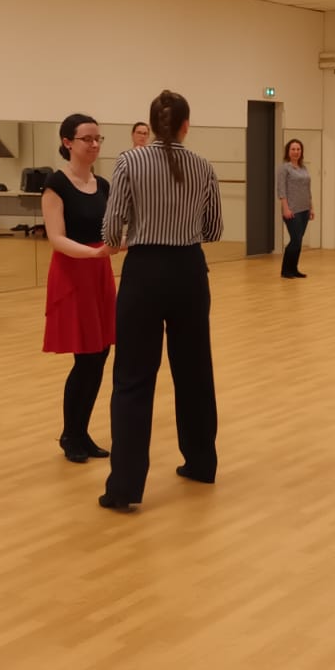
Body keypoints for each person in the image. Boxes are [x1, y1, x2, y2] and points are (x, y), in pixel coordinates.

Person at [98, 90, 223, 512]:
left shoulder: (129, 162)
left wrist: (134, 230)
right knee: (195, 371)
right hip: (189, 271)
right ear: (186, 125)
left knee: (133, 379)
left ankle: (125, 487)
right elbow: (214, 228)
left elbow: (111, 229)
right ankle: (201, 463)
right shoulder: (203, 165)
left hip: (144, 272)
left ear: (150, 125)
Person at [42, 115, 118, 463]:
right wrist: (94, 253)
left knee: (99, 355)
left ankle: (81, 432)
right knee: (85, 357)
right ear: (67, 142)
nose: (94, 144)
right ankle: (70, 434)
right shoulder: (56, 184)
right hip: (74, 272)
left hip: (98, 272)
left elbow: (112, 228)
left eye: (98, 138)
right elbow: (56, 238)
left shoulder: (102, 184)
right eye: (87, 138)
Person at [277, 138, 314, 279]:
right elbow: (281, 190)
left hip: (304, 209)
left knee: (299, 240)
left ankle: (294, 269)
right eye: (293, 149)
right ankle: (285, 270)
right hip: (292, 209)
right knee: (295, 239)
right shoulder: (284, 168)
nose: (296, 152)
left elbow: (307, 190)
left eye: (298, 149)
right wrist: (285, 208)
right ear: (288, 151)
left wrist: (311, 208)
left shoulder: (304, 168)